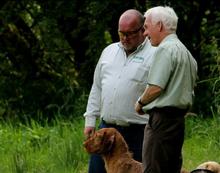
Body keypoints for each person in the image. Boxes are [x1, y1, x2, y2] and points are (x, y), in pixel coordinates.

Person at [83, 9, 156, 173]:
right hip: (106, 130)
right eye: (121, 33)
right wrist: (90, 120)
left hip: (138, 132)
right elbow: (97, 87)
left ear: (143, 30)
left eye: (130, 33)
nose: (124, 38)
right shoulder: (108, 51)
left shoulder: (155, 54)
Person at [135, 6, 198, 173]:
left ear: (160, 26)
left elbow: (156, 88)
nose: (145, 34)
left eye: (147, 27)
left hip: (161, 122)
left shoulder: (164, 50)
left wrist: (140, 103)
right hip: (177, 123)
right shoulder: (187, 54)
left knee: (153, 169)